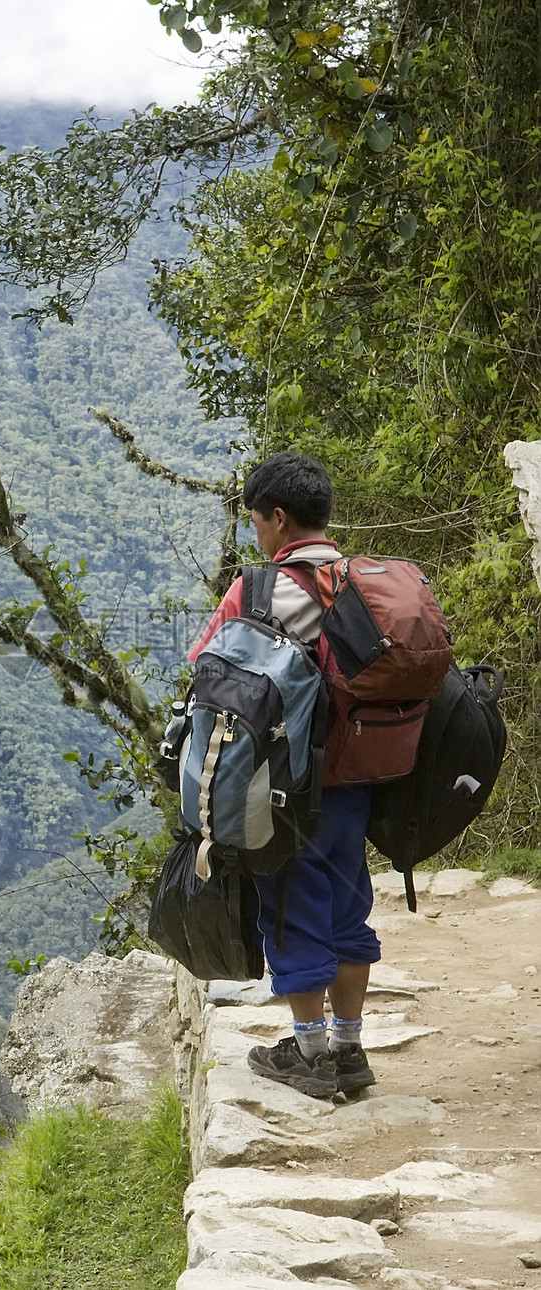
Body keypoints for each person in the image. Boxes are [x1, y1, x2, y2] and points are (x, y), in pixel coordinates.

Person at [187, 451, 381, 1098]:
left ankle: (311, 1055)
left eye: (256, 522)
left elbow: (207, 667)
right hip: (360, 782)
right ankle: (351, 1048)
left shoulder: (261, 588)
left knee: (293, 912)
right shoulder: (366, 582)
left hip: (289, 787)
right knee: (349, 908)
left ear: (277, 518)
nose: (256, 535)